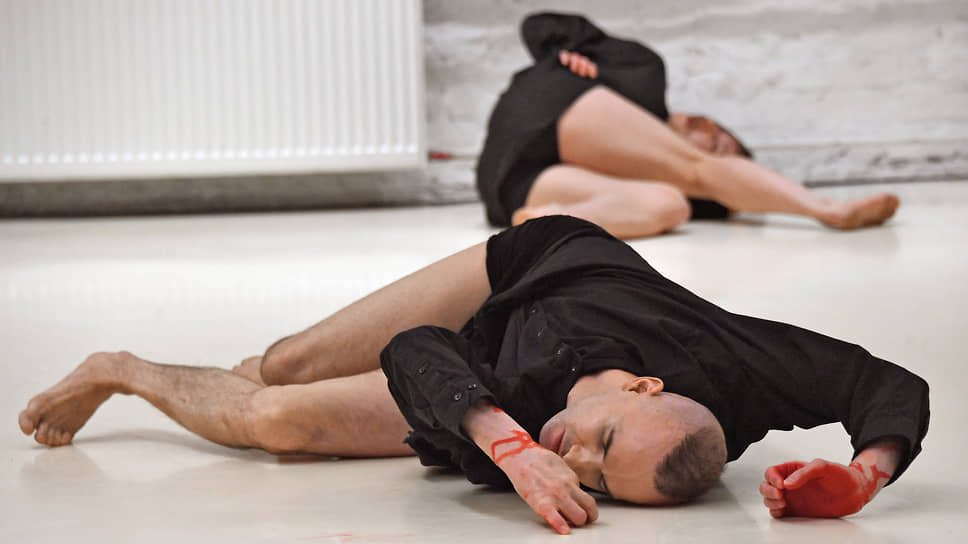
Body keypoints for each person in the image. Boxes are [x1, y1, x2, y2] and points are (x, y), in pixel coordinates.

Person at [18, 216, 928, 535]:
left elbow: (422, 358)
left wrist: (503, 441)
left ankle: (123, 370)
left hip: (484, 370)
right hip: (534, 267)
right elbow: (880, 380)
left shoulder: (538, 437)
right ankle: (238, 372)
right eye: (604, 441)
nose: (575, 459)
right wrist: (867, 471)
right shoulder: (740, 362)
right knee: (289, 360)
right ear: (644, 389)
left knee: (281, 420)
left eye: (597, 481)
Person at [476, 12, 901, 239]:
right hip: (547, 104)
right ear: (703, 123)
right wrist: (563, 50)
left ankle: (544, 221)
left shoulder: (651, 172)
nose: (716, 158)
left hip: (508, 183)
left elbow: (718, 200)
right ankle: (828, 209)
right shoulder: (644, 74)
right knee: (695, 170)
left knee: (668, 205)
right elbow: (538, 23)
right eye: (718, 145)